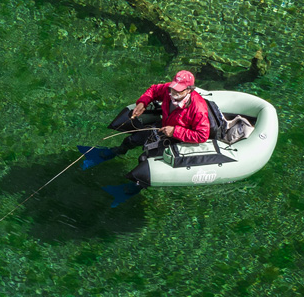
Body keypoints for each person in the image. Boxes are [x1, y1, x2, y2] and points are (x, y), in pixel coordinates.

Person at [78, 70, 211, 206]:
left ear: (189, 90)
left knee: (143, 159)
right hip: (163, 127)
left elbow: (202, 135)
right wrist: (142, 103)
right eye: (173, 88)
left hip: (176, 138)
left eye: (178, 91)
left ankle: (132, 188)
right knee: (131, 140)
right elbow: (153, 90)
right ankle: (111, 153)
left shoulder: (198, 108)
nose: (173, 93)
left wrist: (175, 131)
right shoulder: (168, 90)